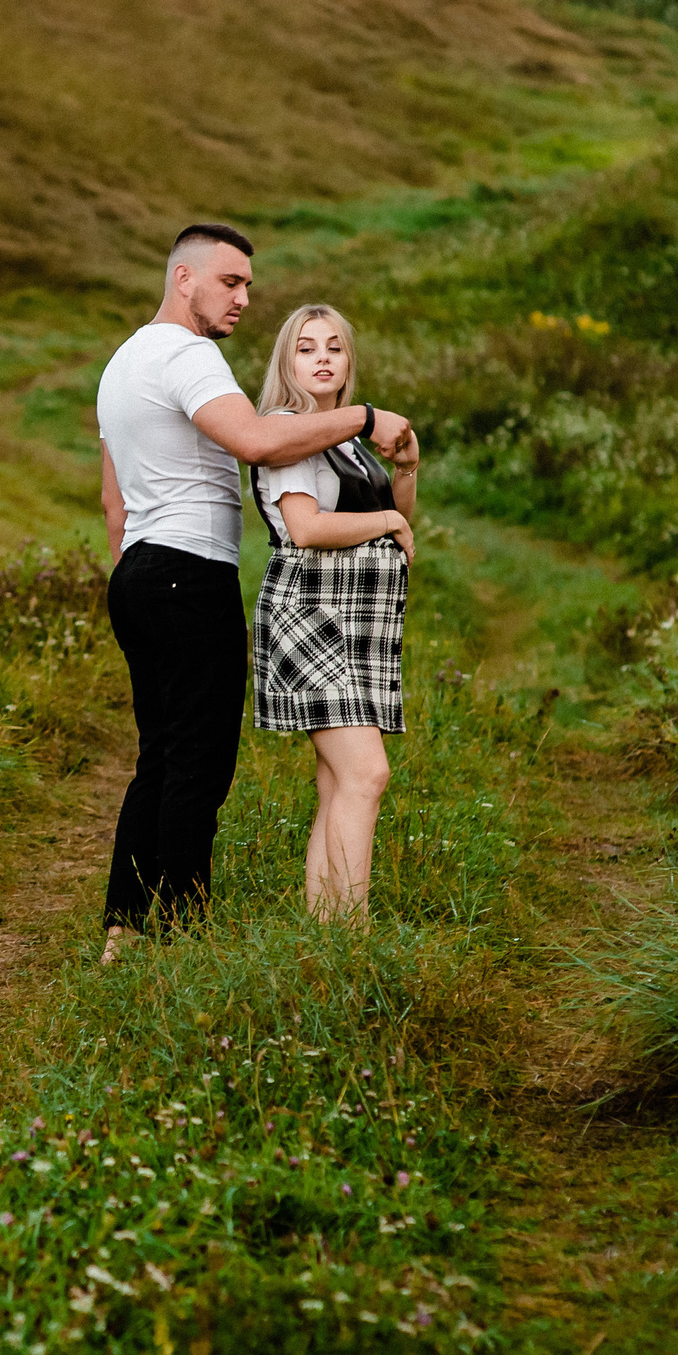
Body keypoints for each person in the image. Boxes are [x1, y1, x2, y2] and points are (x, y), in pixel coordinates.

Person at [96, 224, 411, 962]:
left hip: (140, 570)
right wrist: (367, 417)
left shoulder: (121, 363)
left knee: (161, 758)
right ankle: (179, 937)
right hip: (185, 572)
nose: (244, 297)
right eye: (231, 282)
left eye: (246, 284)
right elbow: (261, 444)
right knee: (198, 765)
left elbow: (113, 500)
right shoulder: (186, 353)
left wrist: (133, 574)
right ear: (185, 279)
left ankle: (125, 928)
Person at [249, 305, 419, 921]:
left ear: (349, 361)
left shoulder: (344, 441)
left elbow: (396, 517)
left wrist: (404, 468)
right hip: (314, 613)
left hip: (357, 618)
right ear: (286, 362)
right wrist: (388, 520)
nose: (321, 358)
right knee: (366, 774)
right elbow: (305, 527)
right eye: (305, 348)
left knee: (337, 782)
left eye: (334, 347)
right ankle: (349, 934)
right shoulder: (288, 430)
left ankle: (324, 933)